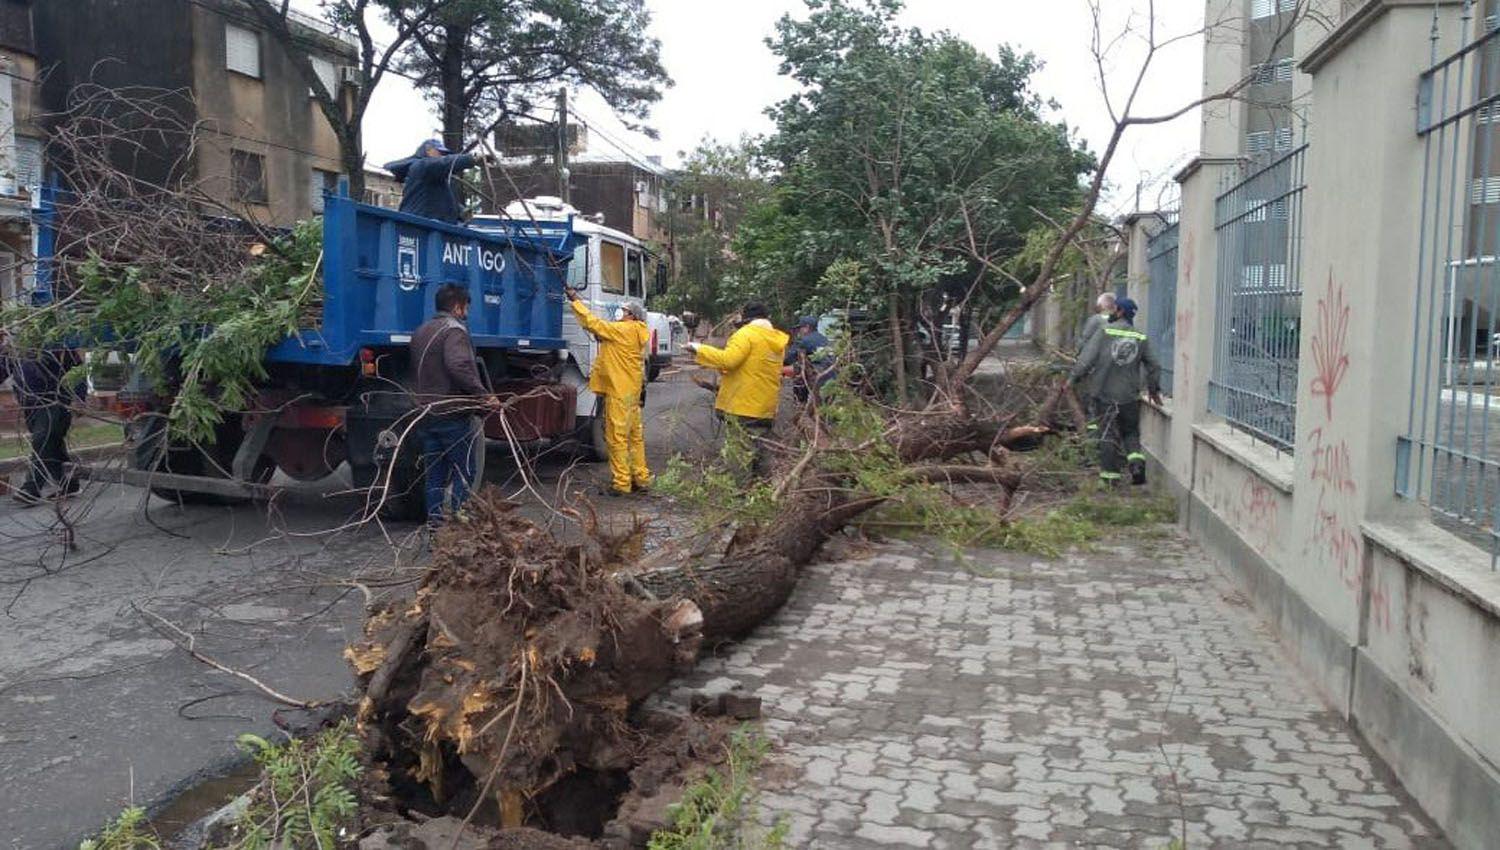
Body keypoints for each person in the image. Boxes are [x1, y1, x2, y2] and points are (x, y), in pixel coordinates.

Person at [409, 284, 498, 522]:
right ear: (458, 307)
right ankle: (460, 525)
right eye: (466, 306)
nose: (467, 312)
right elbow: (459, 366)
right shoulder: (455, 331)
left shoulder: (421, 330)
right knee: (465, 470)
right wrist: (484, 395)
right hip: (452, 413)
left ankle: (436, 528)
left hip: (426, 413)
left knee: (435, 475)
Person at [565, 290, 652, 496]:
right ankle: (641, 478)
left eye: (623, 311)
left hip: (619, 393)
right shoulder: (636, 331)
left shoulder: (623, 330)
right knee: (634, 438)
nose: (620, 313)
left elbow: (592, 322)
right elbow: (608, 338)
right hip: (631, 394)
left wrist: (576, 301)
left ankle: (621, 483)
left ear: (632, 315)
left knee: (617, 438)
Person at [1070, 296, 1162, 486]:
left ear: (1119, 312)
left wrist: (1073, 378)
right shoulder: (1140, 336)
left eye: (1114, 310)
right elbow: (1154, 365)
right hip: (1129, 396)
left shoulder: (1104, 332)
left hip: (1105, 395)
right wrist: (1153, 389)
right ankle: (1136, 463)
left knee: (1108, 434)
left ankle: (1110, 478)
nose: (1111, 313)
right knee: (1131, 432)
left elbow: (1086, 360)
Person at [683, 302, 789, 436]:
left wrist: (699, 349)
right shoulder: (776, 339)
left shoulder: (746, 334)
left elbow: (728, 361)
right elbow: (752, 367)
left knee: (741, 452)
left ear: (747, 319)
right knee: (759, 449)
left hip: (743, 407)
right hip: (766, 408)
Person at [0, 341, 84, 506]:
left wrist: (79, 399)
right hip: (30, 405)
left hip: (55, 401)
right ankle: (69, 484)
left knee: (42, 440)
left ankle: (31, 489)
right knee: (51, 445)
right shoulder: (16, 347)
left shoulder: (56, 341)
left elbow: (78, 371)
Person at [383, 139, 492, 224]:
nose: (442, 156)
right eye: (440, 152)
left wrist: (460, 212)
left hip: (428, 227)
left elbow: (438, 199)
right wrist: (472, 158)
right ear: (428, 150)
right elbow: (444, 163)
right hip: (418, 226)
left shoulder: (435, 179)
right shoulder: (422, 166)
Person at [783, 315, 834, 403]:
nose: (799, 331)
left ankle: (800, 404)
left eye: (800, 328)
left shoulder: (804, 341)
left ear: (807, 327)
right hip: (833, 377)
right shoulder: (824, 339)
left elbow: (789, 358)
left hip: (818, 378)